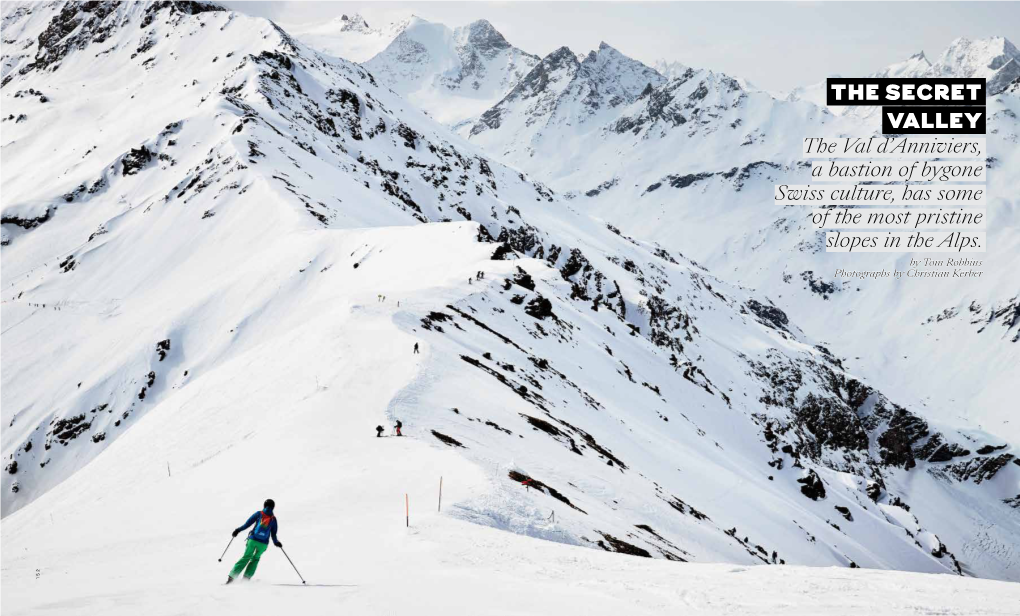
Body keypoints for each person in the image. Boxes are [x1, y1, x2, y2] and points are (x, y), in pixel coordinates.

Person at [226, 499, 282, 584]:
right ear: (273, 507)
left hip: (253, 540)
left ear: (264, 505)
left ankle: (232, 577)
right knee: (255, 559)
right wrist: (276, 542)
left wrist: (238, 530)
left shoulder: (259, 514)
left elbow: (247, 524)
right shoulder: (273, 519)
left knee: (246, 557)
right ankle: (246, 579)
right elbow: (273, 534)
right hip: (263, 544)